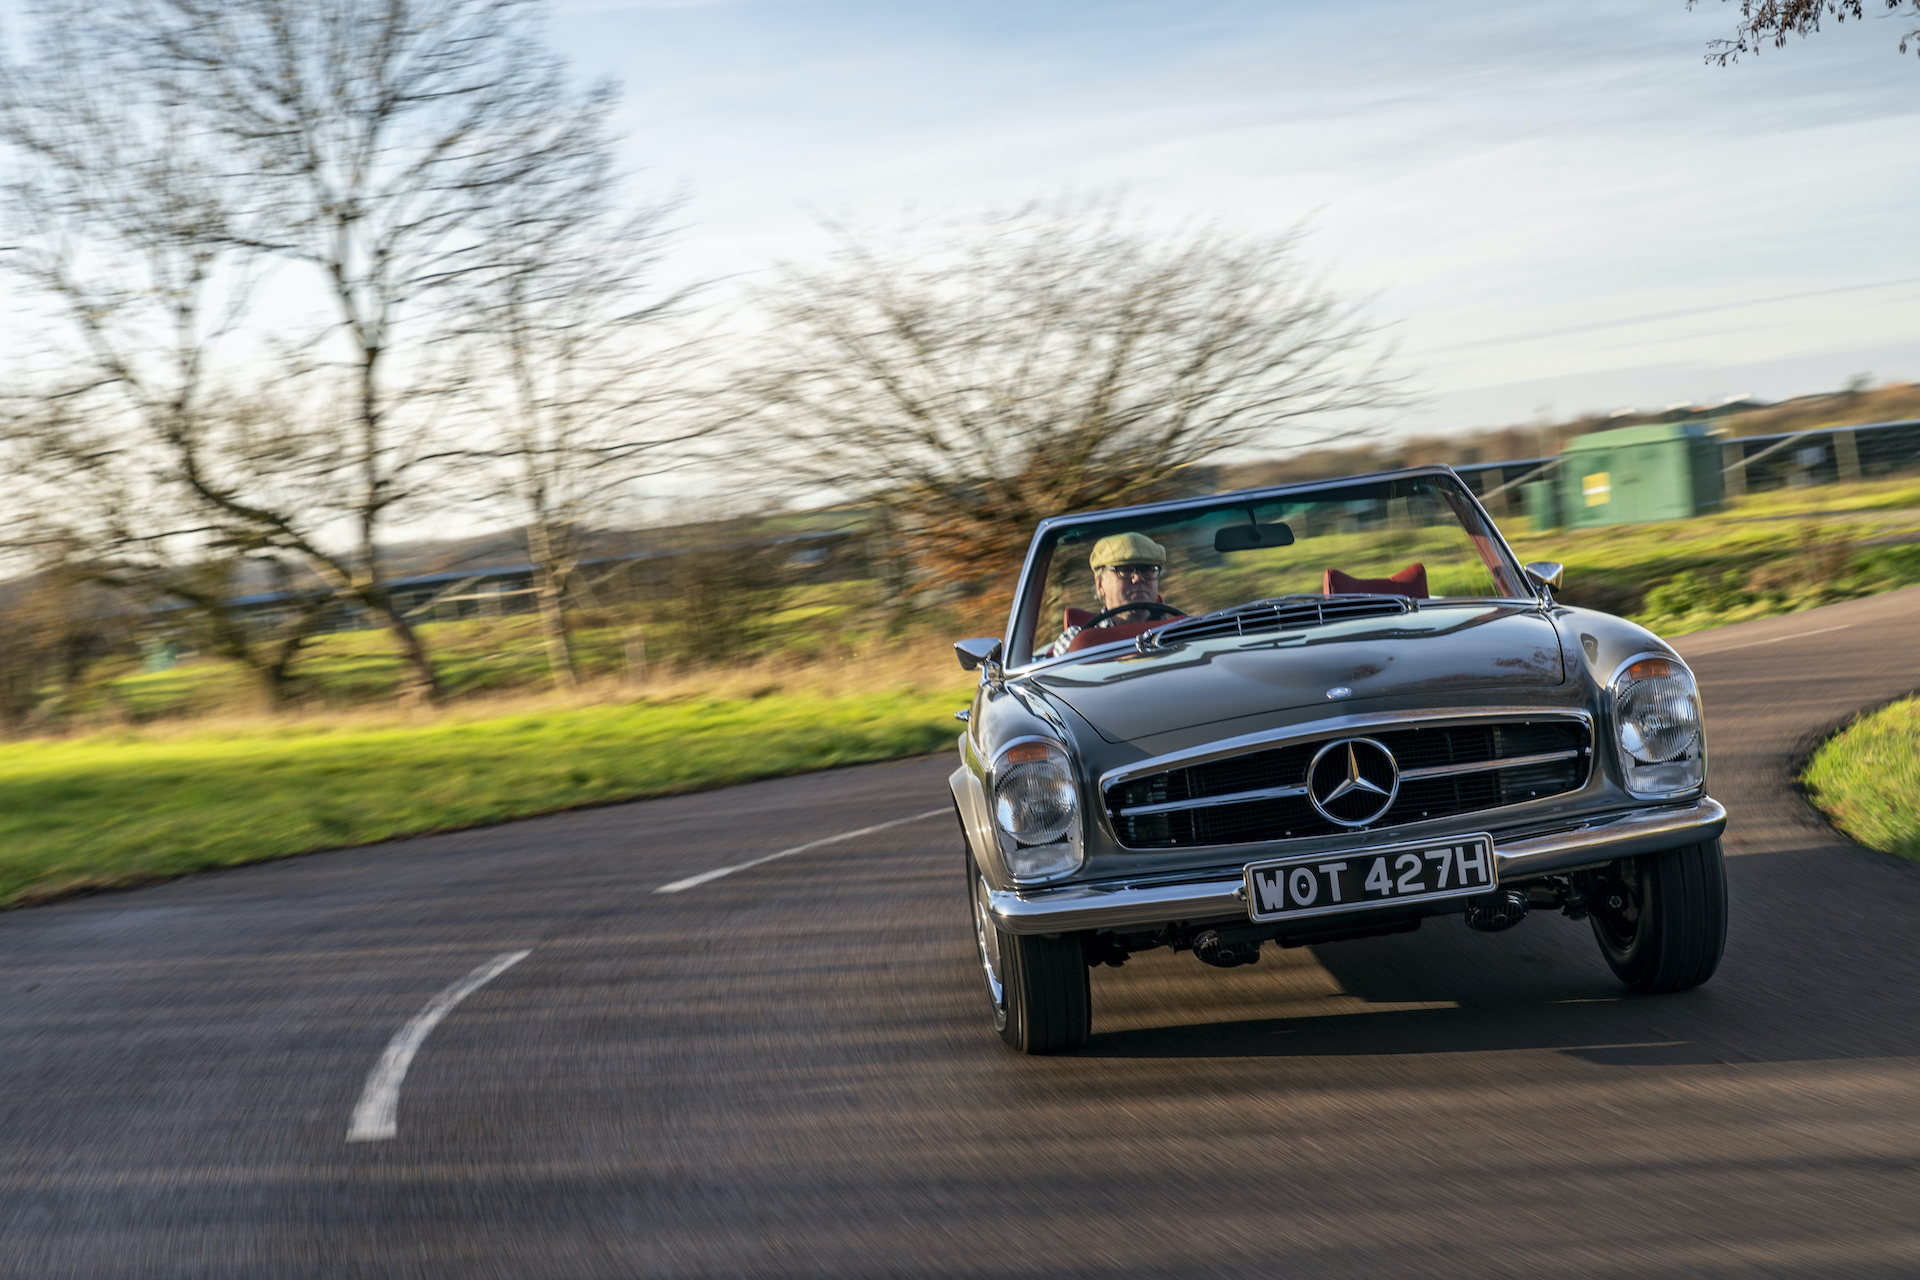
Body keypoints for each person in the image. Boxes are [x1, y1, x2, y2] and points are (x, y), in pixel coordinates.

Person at [1045, 532, 1178, 657]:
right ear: (1100, 584)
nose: (1138, 578)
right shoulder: (1076, 640)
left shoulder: (1180, 628)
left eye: (1148, 570)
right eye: (1125, 570)